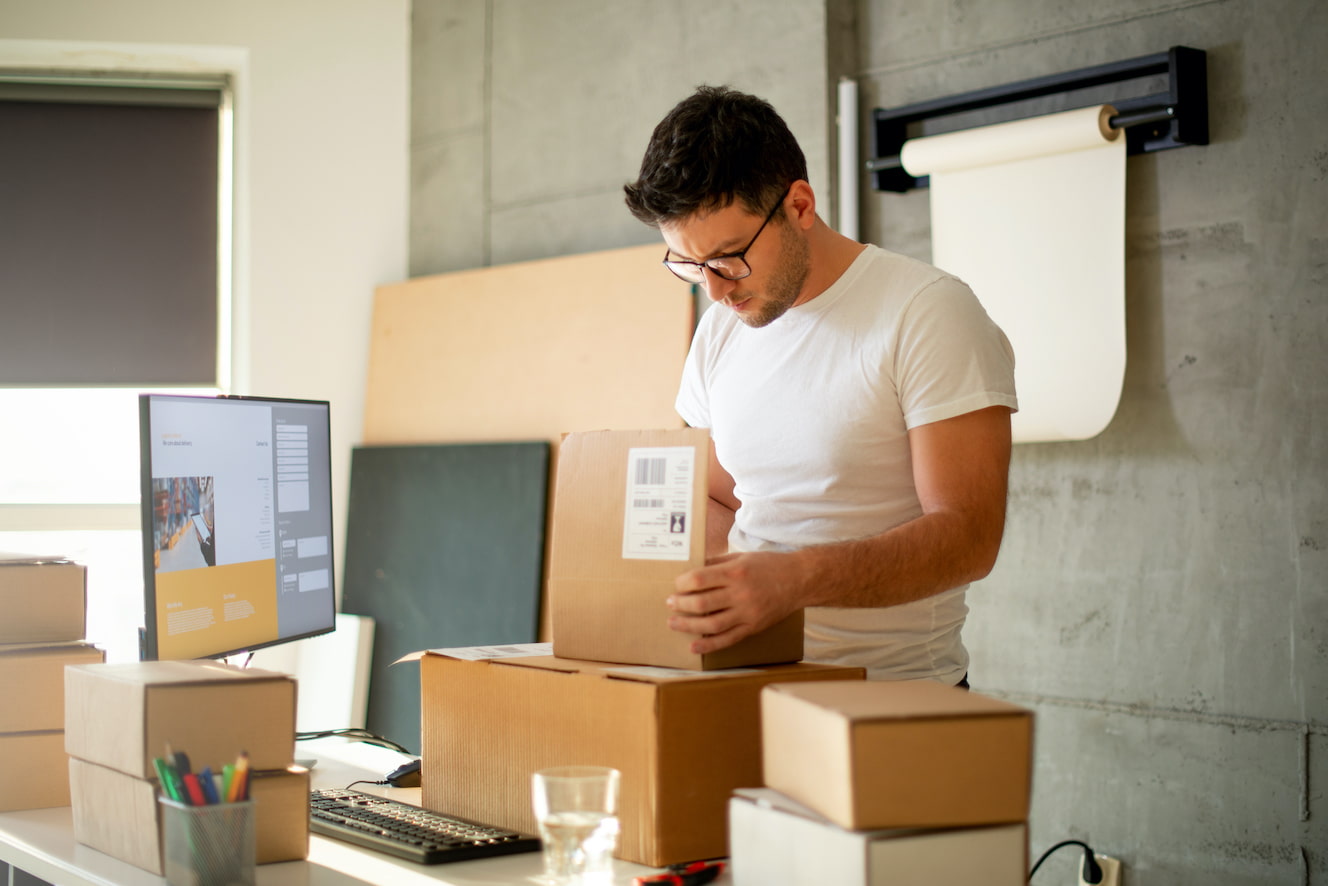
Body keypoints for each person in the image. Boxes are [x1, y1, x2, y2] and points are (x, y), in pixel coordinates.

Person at [622, 85, 1018, 684]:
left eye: (728, 259)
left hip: (894, 704)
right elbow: (713, 495)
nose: (716, 290)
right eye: (689, 266)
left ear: (799, 206)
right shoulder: (719, 334)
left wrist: (793, 580)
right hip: (741, 686)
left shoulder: (927, 312)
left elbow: (968, 538)